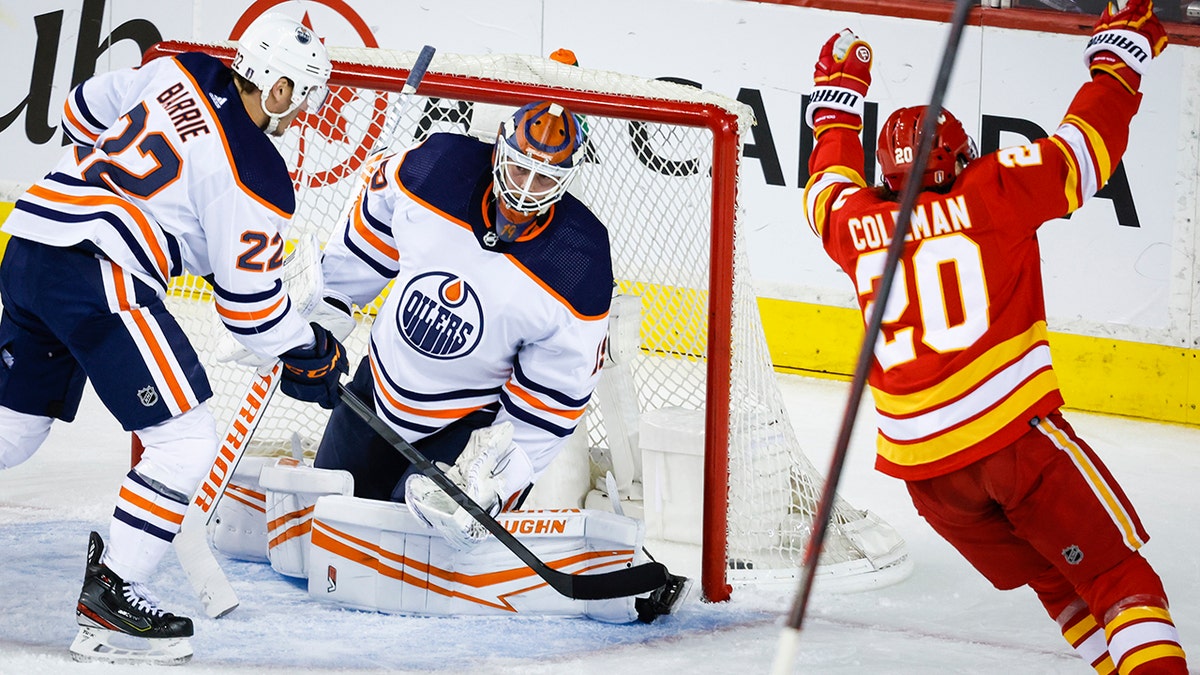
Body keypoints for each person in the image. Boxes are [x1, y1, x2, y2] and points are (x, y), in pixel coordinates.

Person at [803, 2, 1186, 673]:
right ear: (964, 156)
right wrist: (1118, 57)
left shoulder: (853, 222)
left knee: (1058, 582)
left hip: (929, 477)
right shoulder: (992, 190)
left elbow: (823, 188)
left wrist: (837, 104)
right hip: (1011, 442)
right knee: (1119, 581)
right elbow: (1086, 149)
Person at [0, 12, 348, 665]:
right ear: (276, 89)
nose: (300, 113)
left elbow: (79, 110)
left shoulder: (180, 67)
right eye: (300, 96)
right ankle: (111, 604)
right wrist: (310, 350)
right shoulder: (258, 175)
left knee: (13, 432)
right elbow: (249, 310)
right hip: (99, 270)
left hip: (33, 239)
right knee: (185, 441)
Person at [314, 100, 612, 550]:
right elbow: (373, 221)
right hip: (376, 389)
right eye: (519, 169)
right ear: (499, 149)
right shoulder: (435, 168)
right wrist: (328, 307)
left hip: (465, 430)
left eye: (546, 178)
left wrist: (502, 476)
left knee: (412, 554)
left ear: (568, 180)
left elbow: (552, 401)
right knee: (326, 525)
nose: (526, 190)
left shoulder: (578, 263)